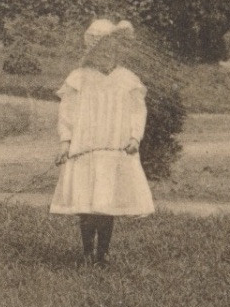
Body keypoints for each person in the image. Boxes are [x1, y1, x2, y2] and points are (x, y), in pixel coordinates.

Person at [49, 19, 155, 266]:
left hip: (114, 150)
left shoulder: (128, 79)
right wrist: (65, 142)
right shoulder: (79, 78)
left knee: (106, 206)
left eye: (112, 49)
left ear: (119, 50)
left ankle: (103, 254)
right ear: (92, 53)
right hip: (85, 149)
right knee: (87, 204)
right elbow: (67, 112)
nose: (107, 54)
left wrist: (133, 137)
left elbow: (137, 112)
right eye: (102, 50)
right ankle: (87, 252)